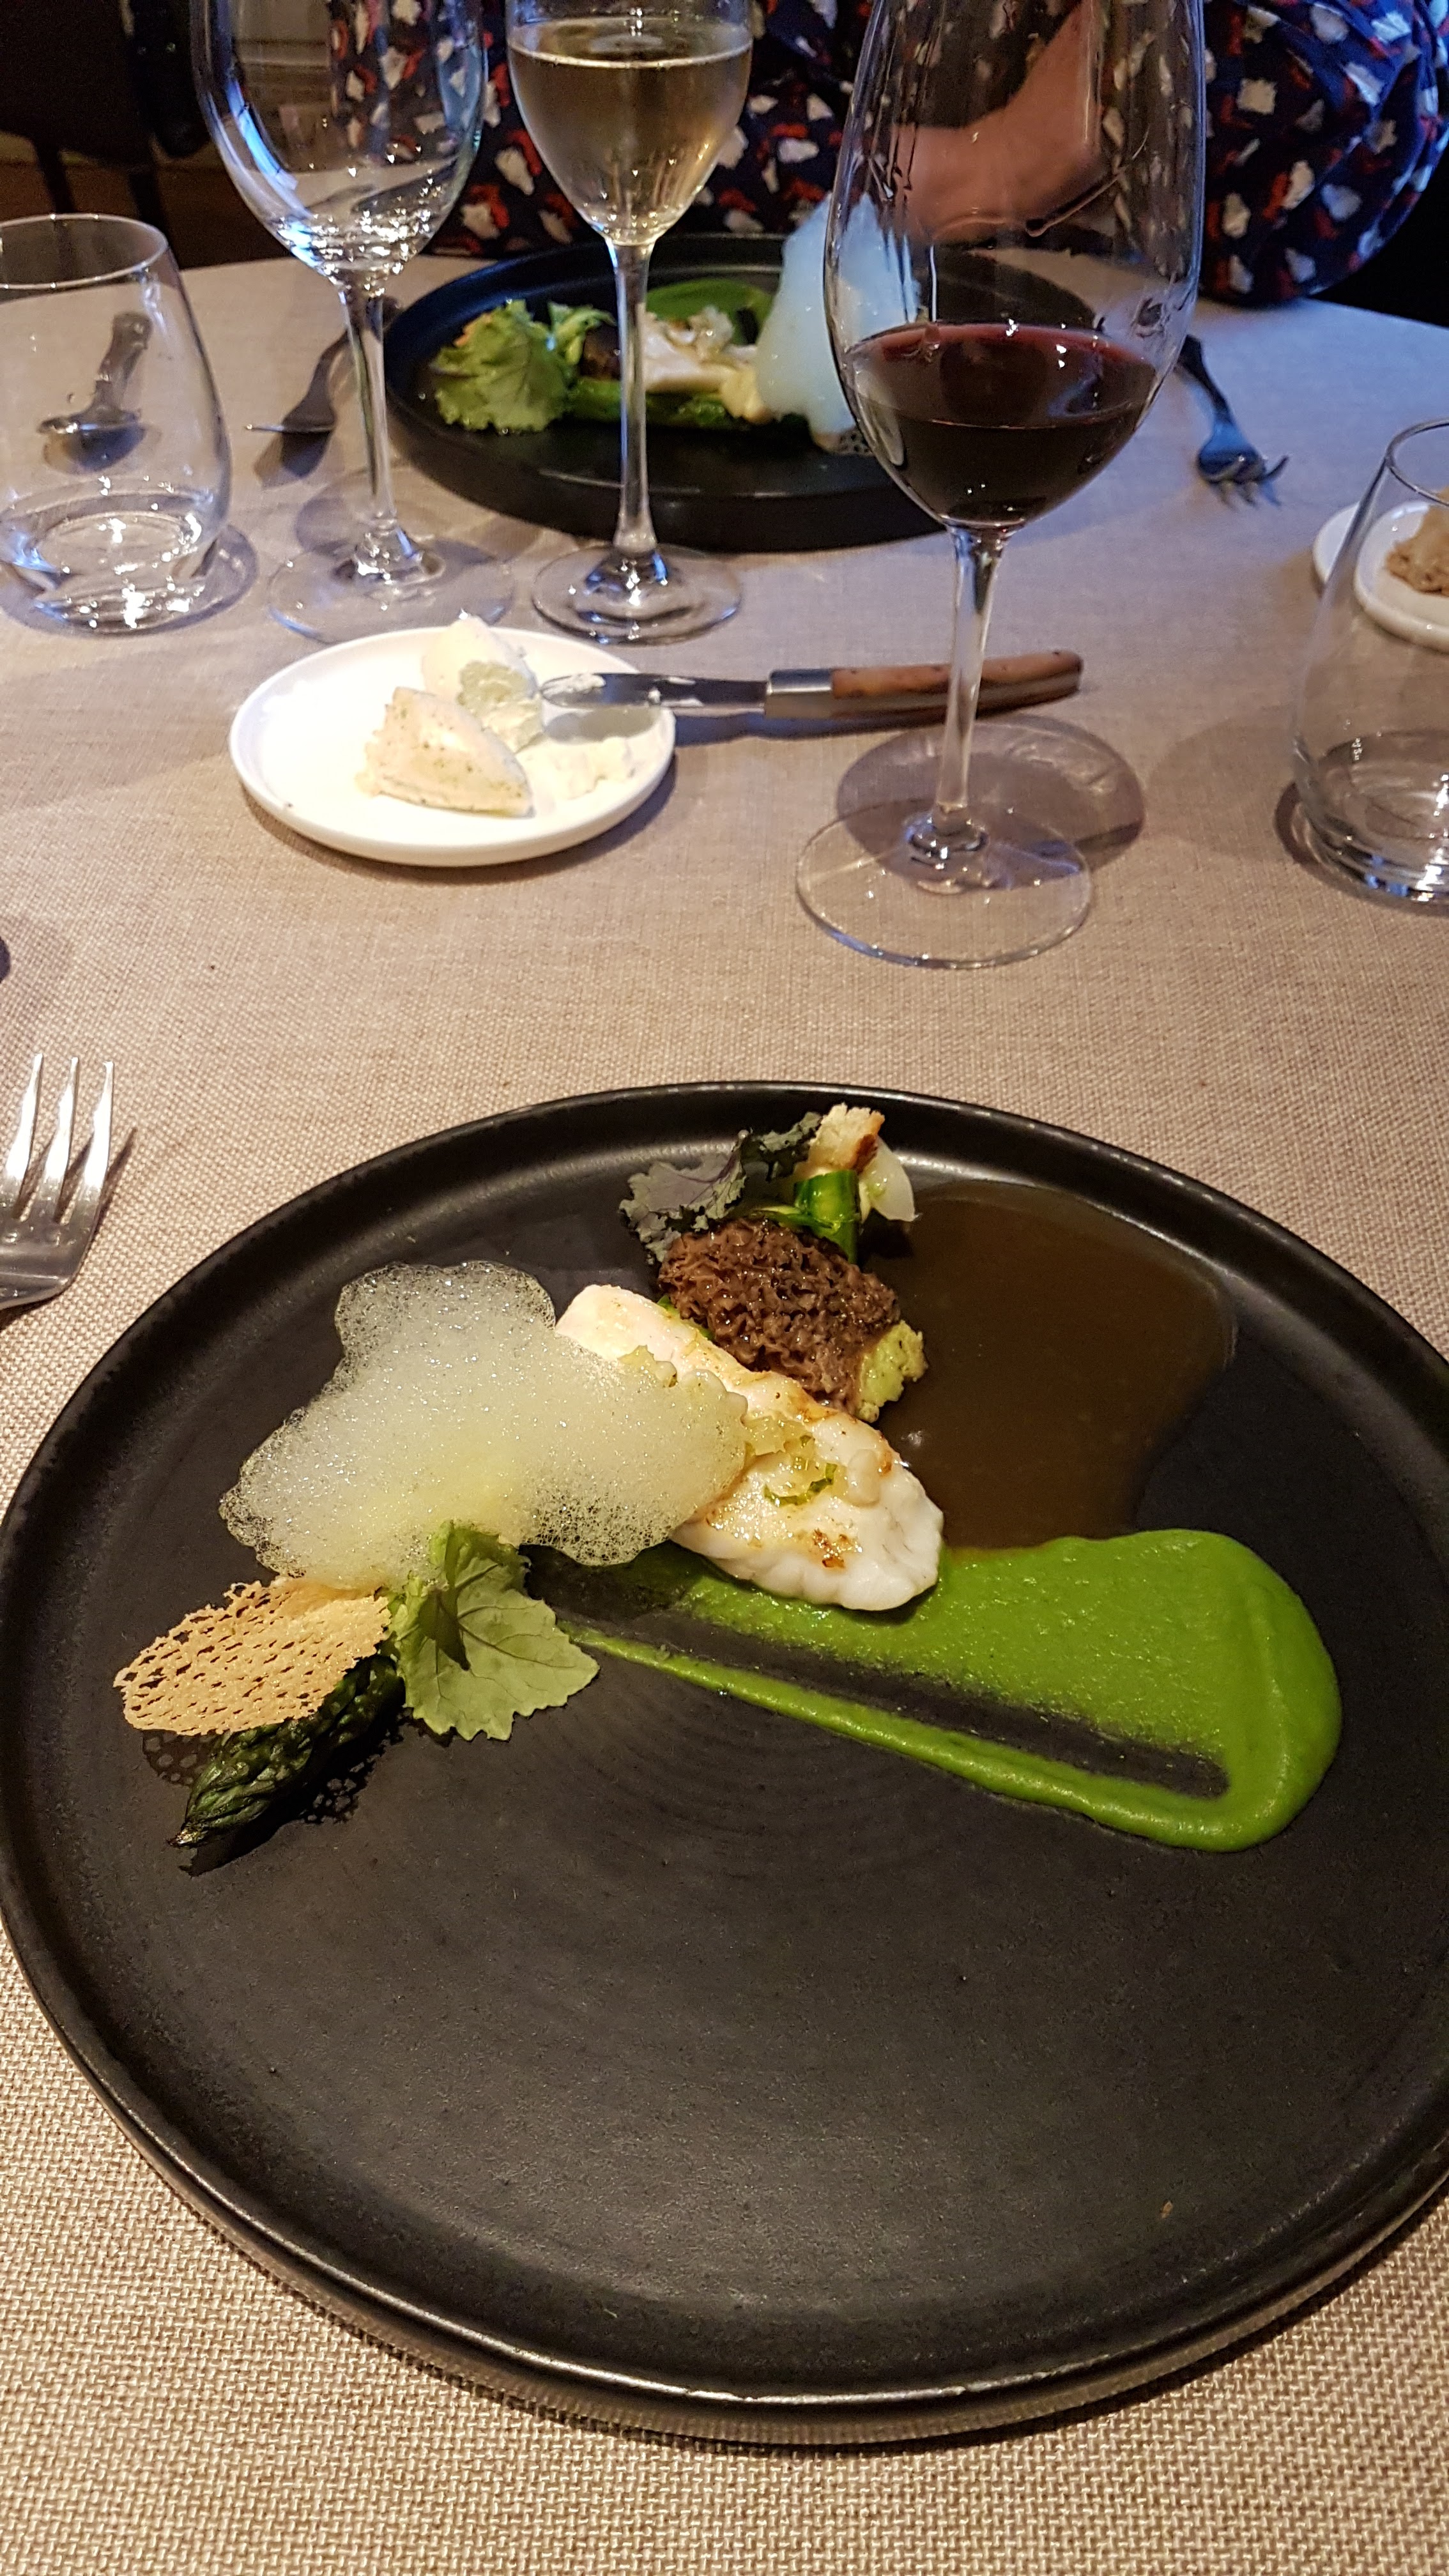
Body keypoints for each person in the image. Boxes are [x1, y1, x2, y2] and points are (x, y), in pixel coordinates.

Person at [440, 0, 1449, 305]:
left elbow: (1338, 61)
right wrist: (985, 164)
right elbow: (437, 134)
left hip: (1191, 345)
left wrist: (1011, 162)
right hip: (666, 330)